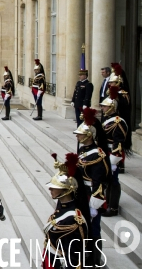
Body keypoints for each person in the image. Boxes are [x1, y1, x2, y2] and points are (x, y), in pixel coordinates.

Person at [74, 109, 109, 265]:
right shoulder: (83, 150)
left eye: (80, 134)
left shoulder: (97, 154)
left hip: (91, 195)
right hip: (82, 193)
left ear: (88, 136)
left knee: (94, 230)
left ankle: (94, 260)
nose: (77, 136)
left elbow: (99, 181)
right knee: (83, 227)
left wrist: (95, 202)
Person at [44, 153, 89, 269]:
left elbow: (74, 258)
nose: (50, 189)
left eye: (55, 187)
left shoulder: (74, 220)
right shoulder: (62, 209)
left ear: (66, 191)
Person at [100, 86, 129, 218]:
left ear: (111, 107)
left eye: (105, 107)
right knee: (107, 180)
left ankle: (113, 207)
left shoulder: (118, 122)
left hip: (113, 154)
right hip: (105, 152)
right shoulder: (107, 119)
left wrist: (114, 159)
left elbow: (118, 142)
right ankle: (107, 202)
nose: (102, 108)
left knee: (113, 180)